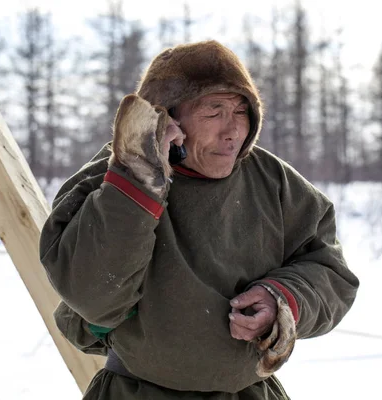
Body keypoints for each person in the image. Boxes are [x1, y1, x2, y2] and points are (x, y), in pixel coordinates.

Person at [39, 40, 359, 399]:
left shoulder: (275, 183)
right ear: (169, 117)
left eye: (241, 111)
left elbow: (332, 273)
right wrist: (138, 178)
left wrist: (281, 299)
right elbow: (93, 294)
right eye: (214, 111)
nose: (232, 130)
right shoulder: (112, 177)